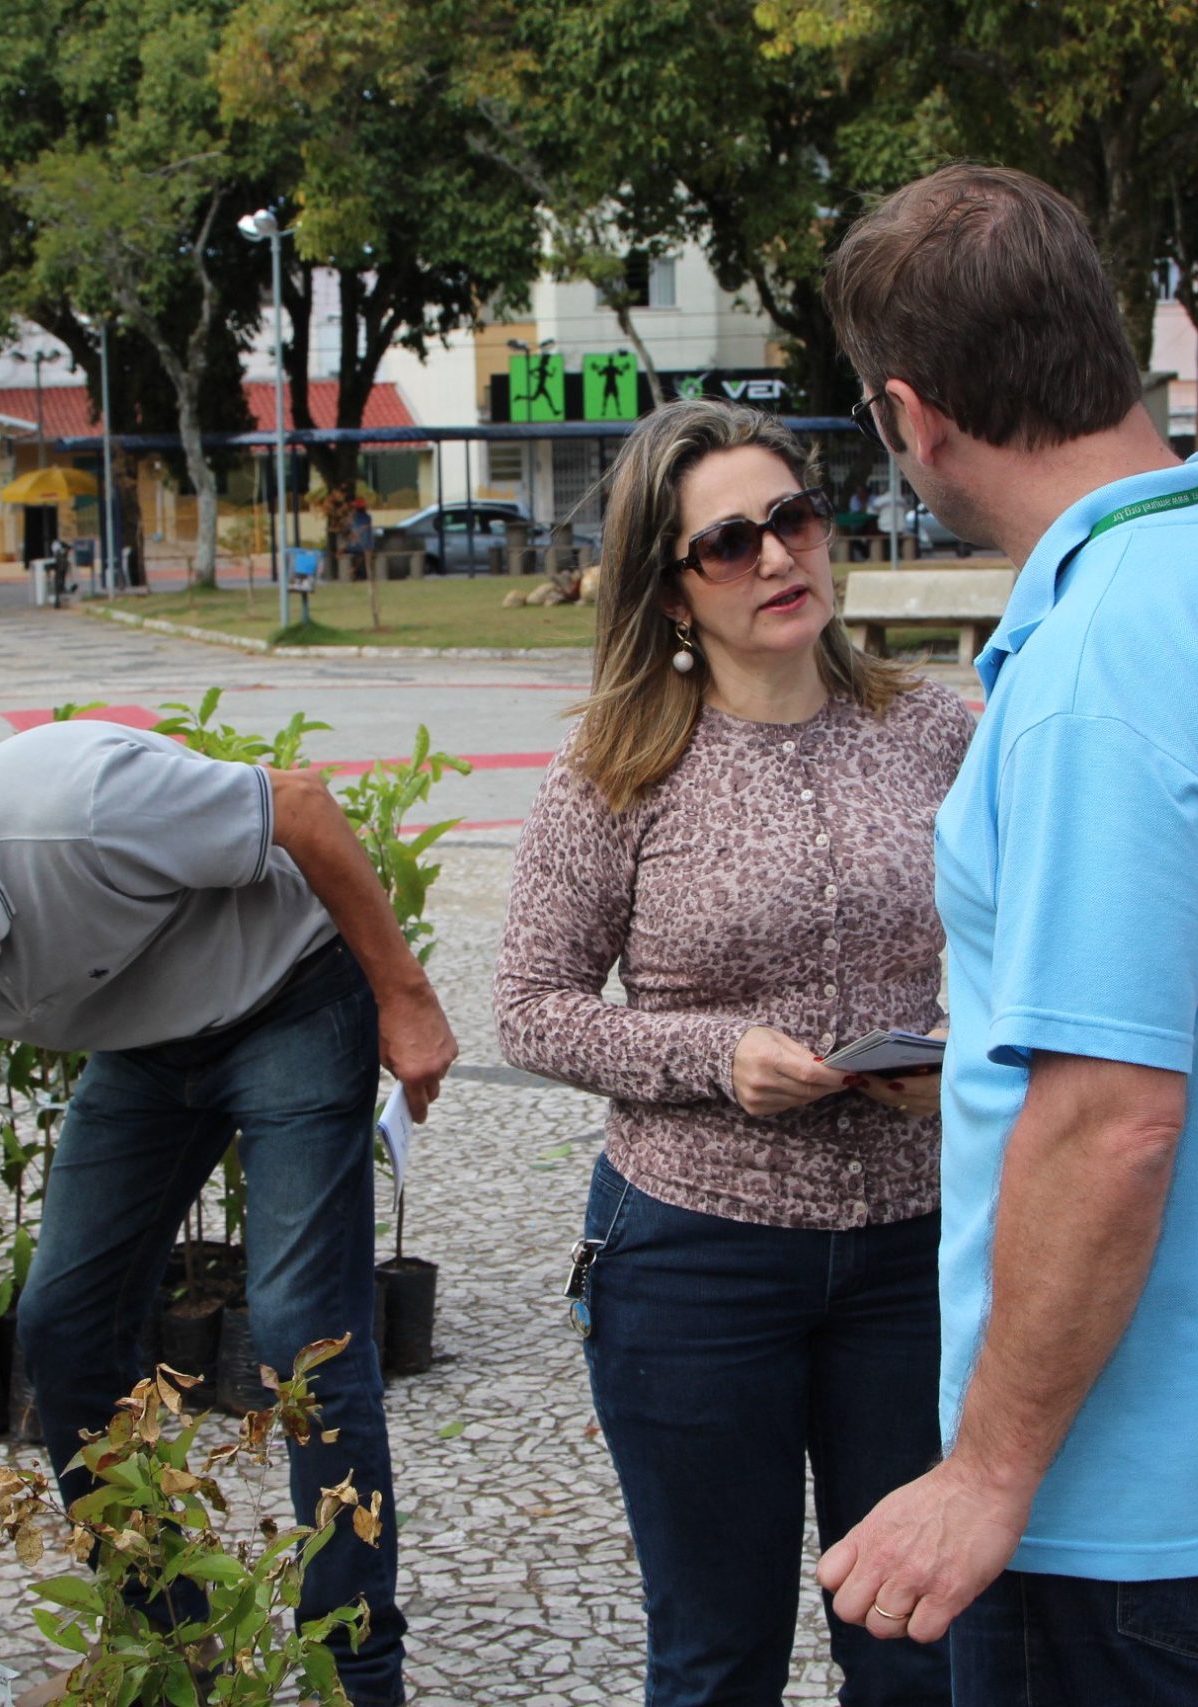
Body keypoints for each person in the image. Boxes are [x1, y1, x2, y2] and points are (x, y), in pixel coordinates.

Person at [813, 163, 1198, 1706]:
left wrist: (987, 1473)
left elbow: (1115, 1120)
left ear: (915, 413)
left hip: (1129, 1499)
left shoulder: (1101, 661)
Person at [0, 720, 458, 1707]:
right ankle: (168, 1646)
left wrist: (406, 996)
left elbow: (299, 805)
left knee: (307, 1335)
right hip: (143, 1045)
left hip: (289, 996)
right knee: (62, 1328)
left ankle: (354, 1673)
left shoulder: (75, 811)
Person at [494, 399, 973, 1706]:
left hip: (917, 1250)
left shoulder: (938, 732)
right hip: (697, 1259)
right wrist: (719, 1053)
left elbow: (1030, 952)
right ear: (667, 587)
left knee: (916, 1644)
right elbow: (531, 1003)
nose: (776, 556)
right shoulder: (615, 762)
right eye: (728, 542)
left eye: (794, 517)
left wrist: (960, 1059)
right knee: (718, 1654)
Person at [343, 490, 376, 582]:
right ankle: (357, 571)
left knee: (345, 551)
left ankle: (352, 570)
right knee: (365, 554)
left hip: (355, 546)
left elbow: (347, 529)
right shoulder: (368, 517)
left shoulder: (353, 517)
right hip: (366, 546)